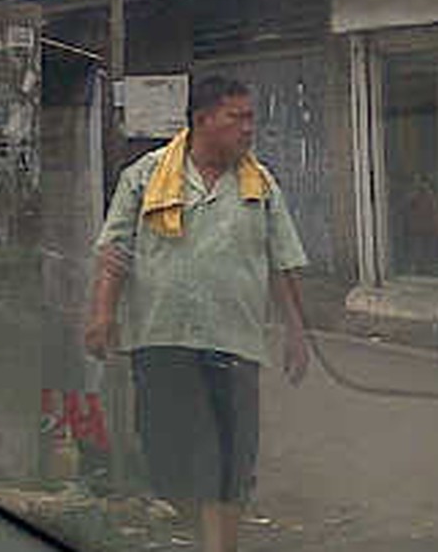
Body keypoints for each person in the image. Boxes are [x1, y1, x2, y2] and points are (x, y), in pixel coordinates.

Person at [85, 76, 311, 552]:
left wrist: (297, 331)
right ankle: (202, 529)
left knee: (228, 459)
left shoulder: (260, 184)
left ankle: (218, 544)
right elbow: (115, 253)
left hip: (234, 343)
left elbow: (283, 261)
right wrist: (102, 313)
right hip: (160, 339)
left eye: (251, 118)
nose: (249, 129)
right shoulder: (145, 177)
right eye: (238, 117)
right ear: (203, 119)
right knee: (164, 456)